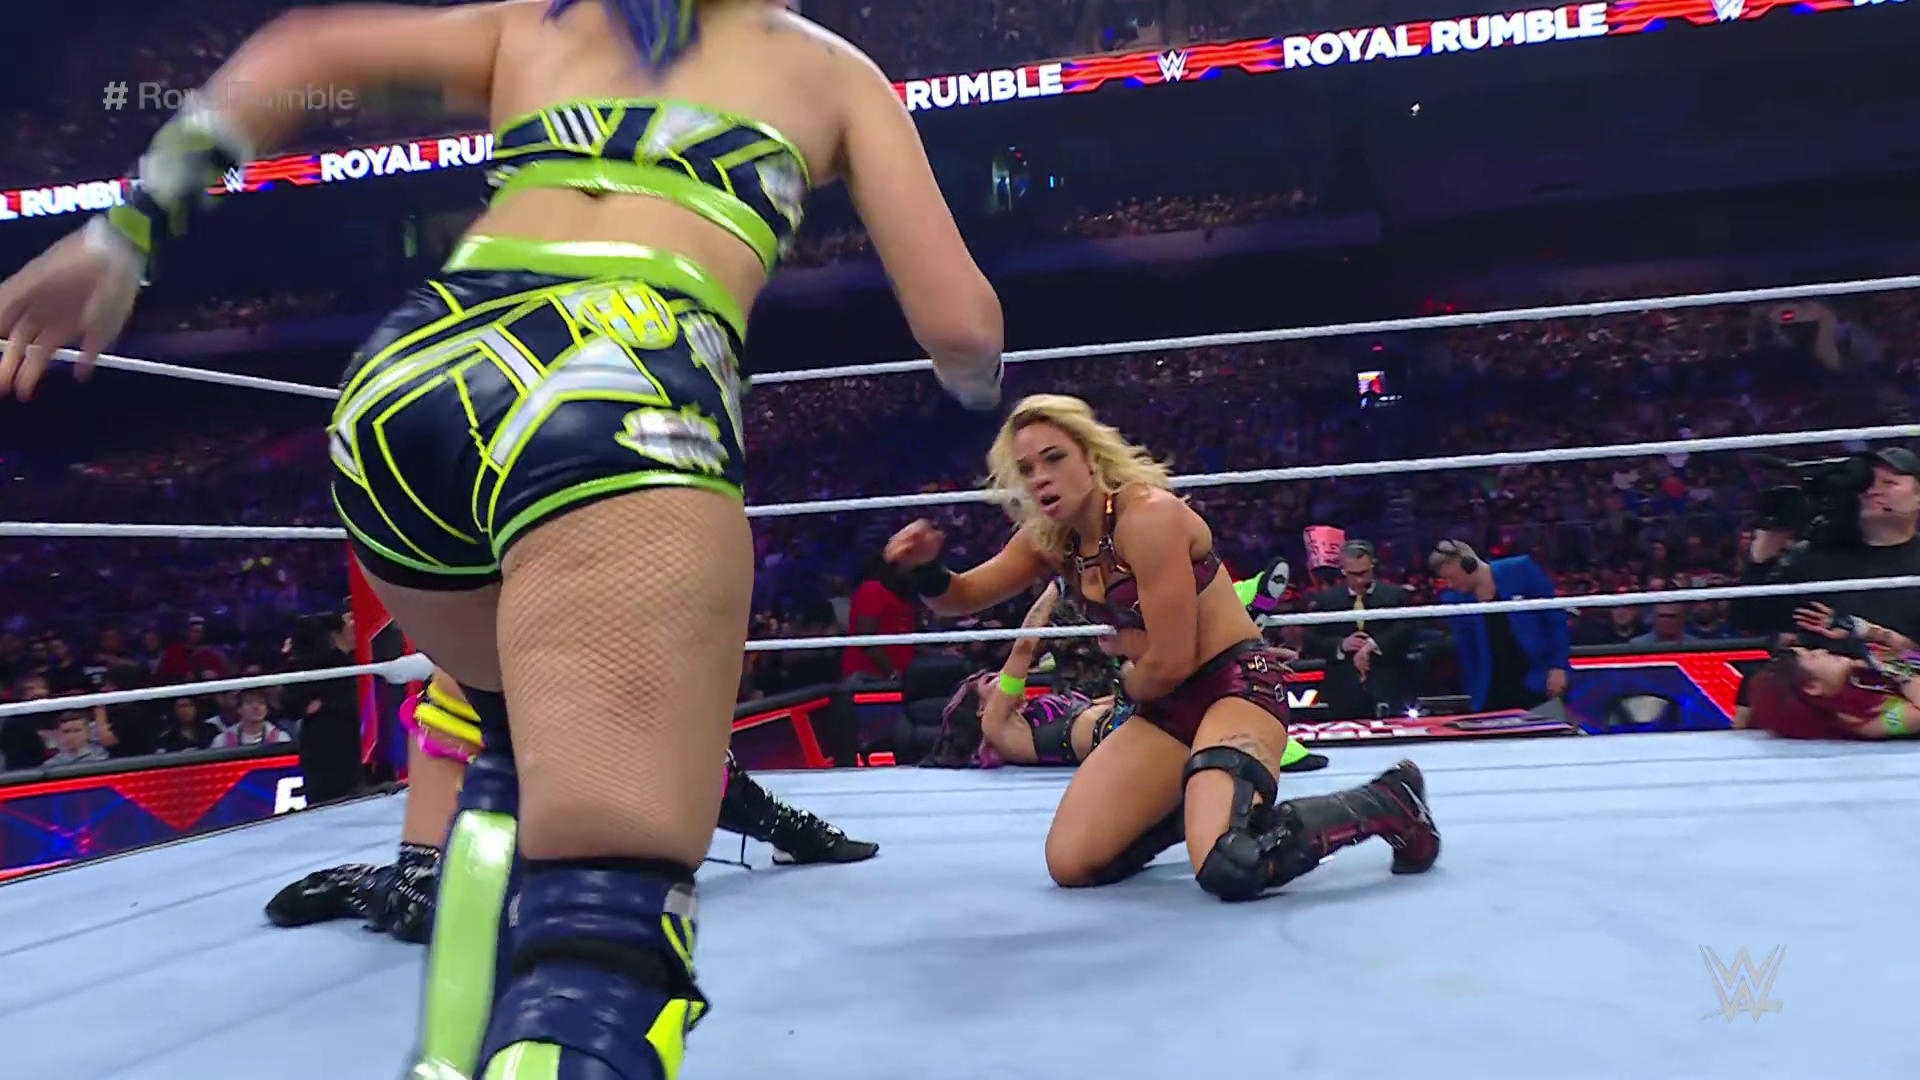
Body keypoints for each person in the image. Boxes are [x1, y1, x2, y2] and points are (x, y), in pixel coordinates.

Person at [0, 2, 1003, 1077]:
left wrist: (123, 233)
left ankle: (449, 1048)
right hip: (621, 374)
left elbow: (305, 53)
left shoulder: (539, 22)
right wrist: (971, 394)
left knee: (514, 736)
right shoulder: (832, 70)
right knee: (610, 932)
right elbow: (961, 326)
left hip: (408, 384)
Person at [884, 395, 1438, 901]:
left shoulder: (1147, 517)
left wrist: (1122, 686)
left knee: (1232, 865)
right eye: (1027, 469)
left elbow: (1173, 660)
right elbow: (963, 596)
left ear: (1090, 457)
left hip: (1234, 686)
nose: (1040, 477)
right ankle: (1201, 805)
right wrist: (925, 569)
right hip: (1162, 705)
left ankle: (1390, 800)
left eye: (1054, 458)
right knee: (1072, 862)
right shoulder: (1050, 540)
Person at [268, 670, 878, 943]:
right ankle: (360, 883)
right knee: (427, 908)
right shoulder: (475, 627)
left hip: (593, 745)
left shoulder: (630, 609)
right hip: (489, 742)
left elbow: (687, 750)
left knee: (680, 790)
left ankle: (788, 827)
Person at [935, 581, 1328, 771]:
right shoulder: (998, 727)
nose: (999, 679)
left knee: (1150, 658)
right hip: (1116, 734)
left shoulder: (1036, 715)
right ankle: (1238, 610)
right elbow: (1023, 647)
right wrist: (1056, 586)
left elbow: (1099, 703)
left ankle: (1240, 635)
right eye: (988, 682)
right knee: (1138, 651)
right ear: (979, 710)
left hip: (1122, 721)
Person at [1429, 540, 1570, 713]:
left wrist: (1558, 666)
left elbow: (1554, 621)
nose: (1450, 585)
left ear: (1469, 565)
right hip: (1490, 691)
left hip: (1536, 681)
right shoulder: (1455, 599)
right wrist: (1474, 690)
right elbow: (1466, 650)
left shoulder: (1520, 570)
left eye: (1452, 577)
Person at [1304, 539, 1416, 721]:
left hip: (1388, 683)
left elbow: (1407, 630)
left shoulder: (1395, 595)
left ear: (1373, 565)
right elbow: (1310, 639)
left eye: (1364, 573)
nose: (1359, 580)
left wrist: (1374, 645)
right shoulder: (1326, 600)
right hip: (1343, 689)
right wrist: (1341, 645)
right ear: (1342, 570)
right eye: (1352, 574)